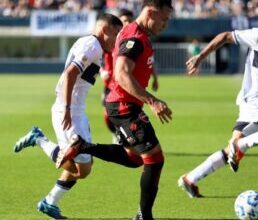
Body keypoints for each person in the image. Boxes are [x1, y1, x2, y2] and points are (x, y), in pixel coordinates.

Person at [56, 1, 173, 219]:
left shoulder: (137, 34)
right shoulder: (134, 37)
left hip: (124, 104)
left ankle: (84, 146)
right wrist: (152, 101)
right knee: (155, 159)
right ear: (150, 12)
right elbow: (121, 74)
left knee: (135, 158)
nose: (166, 25)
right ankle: (143, 216)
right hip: (123, 105)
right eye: (164, 19)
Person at [178, 6, 258, 198]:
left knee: (230, 151)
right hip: (253, 99)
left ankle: (190, 179)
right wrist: (200, 57)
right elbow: (226, 36)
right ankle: (241, 146)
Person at [14, 13, 123, 219]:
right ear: (104, 30)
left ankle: (49, 202)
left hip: (76, 111)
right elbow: (70, 74)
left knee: (83, 168)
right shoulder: (93, 45)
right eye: (115, 33)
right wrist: (65, 107)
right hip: (70, 111)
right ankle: (38, 139)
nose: (117, 39)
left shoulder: (92, 45)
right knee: (80, 167)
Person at [100, 8, 159, 144]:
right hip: (111, 84)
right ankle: (119, 134)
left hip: (126, 86)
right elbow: (100, 57)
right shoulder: (115, 39)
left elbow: (148, 60)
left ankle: (122, 136)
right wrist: (102, 70)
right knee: (107, 115)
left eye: (129, 20)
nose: (127, 23)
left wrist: (155, 78)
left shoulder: (135, 39)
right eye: (124, 20)